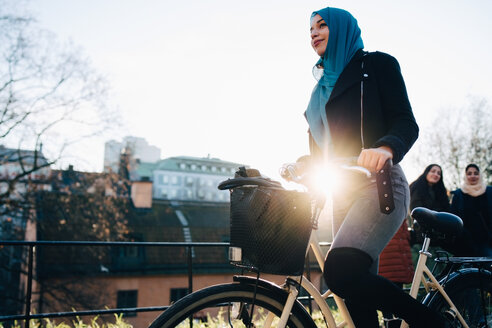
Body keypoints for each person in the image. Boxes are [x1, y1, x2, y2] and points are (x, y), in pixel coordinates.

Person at [304, 7, 448, 327]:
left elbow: (405, 122)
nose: (313, 33)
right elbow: (319, 152)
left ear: (343, 29)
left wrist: (385, 147)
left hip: (380, 185)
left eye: (322, 25)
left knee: (340, 273)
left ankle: (436, 323)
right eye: (310, 28)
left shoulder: (377, 64)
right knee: (355, 295)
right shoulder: (320, 93)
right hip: (342, 192)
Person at [450, 164, 492, 256]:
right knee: (467, 269)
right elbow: (454, 217)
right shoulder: (458, 194)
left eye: (476, 173)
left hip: (487, 242)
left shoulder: (489, 192)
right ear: (465, 176)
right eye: (469, 173)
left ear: (480, 175)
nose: (473, 176)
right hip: (465, 242)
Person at [408, 164, 450, 245]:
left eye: (438, 173)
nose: (436, 174)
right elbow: (416, 210)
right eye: (433, 171)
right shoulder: (416, 187)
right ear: (427, 172)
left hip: (440, 233)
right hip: (421, 232)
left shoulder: (441, 192)